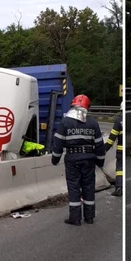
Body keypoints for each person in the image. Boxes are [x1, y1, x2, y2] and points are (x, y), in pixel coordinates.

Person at [51, 94, 106, 226]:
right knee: (89, 187)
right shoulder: (93, 123)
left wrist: (55, 159)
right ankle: (89, 217)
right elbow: (99, 145)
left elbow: (57, 143)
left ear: (73, 106)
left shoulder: (65, 122)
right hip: (89, 159)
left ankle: (75, 218)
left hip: (72, 160)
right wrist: (100, 161)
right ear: (88, 107)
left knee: (74, 187)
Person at [104, 102, 123, 197]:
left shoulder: (119, 121)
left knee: (120, 169)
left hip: (121, 151)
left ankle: (119, 187)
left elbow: (111, 139)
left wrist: (103, 150)